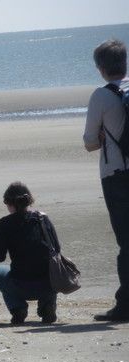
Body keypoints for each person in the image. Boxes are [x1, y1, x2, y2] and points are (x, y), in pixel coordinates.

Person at [83, 39, 129, 322]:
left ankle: (124, 305)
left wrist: (101, 136)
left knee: (126, 241)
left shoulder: (101, 96)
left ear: (101, 68)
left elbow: (90, 142)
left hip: (116, 174)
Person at [0, 182, 58, 325]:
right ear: (29, 200)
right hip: (48, 283)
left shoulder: (5, 223)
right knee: (49, 268)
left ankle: (18, 308)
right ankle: (47, 306)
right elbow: (57, 249)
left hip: (20, 283)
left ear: (10, 203)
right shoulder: (42, 219)